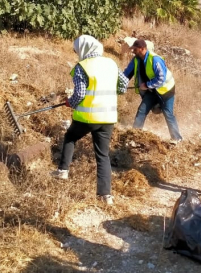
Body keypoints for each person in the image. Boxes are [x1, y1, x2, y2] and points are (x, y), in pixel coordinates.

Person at [51, 35, 129, 205]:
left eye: (77, 50)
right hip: (108, 118)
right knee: (102, 155)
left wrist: (69, 102)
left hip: (88, 116)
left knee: (71, 137)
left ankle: (63, 171)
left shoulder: (82, 67)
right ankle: (105, 196)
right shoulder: (111, 63)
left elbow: (79, 94)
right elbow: (123, 86)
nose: (76, 53)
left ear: (84, 49)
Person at [123, 39, 183, 144]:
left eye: (135, 49)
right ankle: (134, 136)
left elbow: (161, 79)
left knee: (168, 114)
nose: (133, 51)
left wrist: (146, 85)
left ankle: (177, 139)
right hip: (151, 90)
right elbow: (126, 74)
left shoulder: (155, 59)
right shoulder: (136, 60)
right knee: (141, 110)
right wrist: (120, 85)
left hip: (166, 91)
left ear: (142, 49)